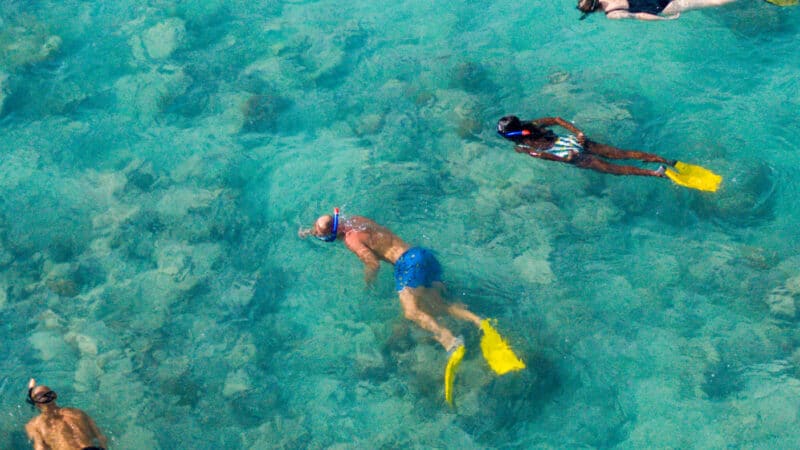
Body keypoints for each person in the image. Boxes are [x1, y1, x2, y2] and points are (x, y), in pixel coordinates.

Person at [299, 209, 482, 354]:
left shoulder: (351, 240)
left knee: (411, 312)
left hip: (406, 265)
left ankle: (449, 341)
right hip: (420, 254)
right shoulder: (357, 220)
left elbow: (373, 264)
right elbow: (329, 225)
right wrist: (309, 232)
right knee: (437, 304)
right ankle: (478, 321)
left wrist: (368, 283)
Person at [497, 115, 676, 177]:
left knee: (614, 168)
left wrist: (566, 160)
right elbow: (556, 120)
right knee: (621, 153)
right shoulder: (533, 124)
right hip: (568, 141)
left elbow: (541, 155)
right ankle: (661, 159)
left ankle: (655, 173)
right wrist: (578, 133)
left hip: (566, 152)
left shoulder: (521, 145)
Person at [25, 378, 108, 450]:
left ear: (36, 404)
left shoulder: (34, 424)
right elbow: (101, 437)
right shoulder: (78, 412)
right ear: (55, 395)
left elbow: (40, 448)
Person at [577, 0, 737, 20]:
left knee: (711, 2)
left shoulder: (612, 14)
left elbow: (639, 15)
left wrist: (664, 19)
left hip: (661, 7)